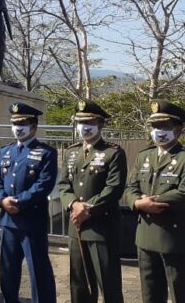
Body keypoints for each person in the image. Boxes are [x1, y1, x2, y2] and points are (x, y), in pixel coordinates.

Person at [123, 100, 185, 303]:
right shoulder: (144, 156)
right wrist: (135, 203)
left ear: (178, 129)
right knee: (150, 294)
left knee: (182, 294)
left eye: (165, 126)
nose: (159, 131)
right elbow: (131, 188)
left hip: (175, 239)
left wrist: (151, 202)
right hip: (145, 238)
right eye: (155, 126)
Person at [56, 100, 127, 303]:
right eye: (80, 122)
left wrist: (88, 208)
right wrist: (73, 204)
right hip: (76, 227)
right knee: (79, 283)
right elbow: (63, 184)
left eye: (90, 122)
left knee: (108, 282)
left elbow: (113, 188)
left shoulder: (113, 153)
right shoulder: (71, 152)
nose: (84, 127)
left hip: (102, 228)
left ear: (101, 124)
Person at [0, 102, 57, 303]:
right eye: (14, 123)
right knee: (8, 268)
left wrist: (18, 202)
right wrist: (2, 200)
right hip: (9, 221)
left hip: (32, 220)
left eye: (23, 123)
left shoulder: (46, 153)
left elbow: (43, 185)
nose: (18, 127)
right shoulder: (6, 151)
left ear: (34, 126)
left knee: (38, 269)